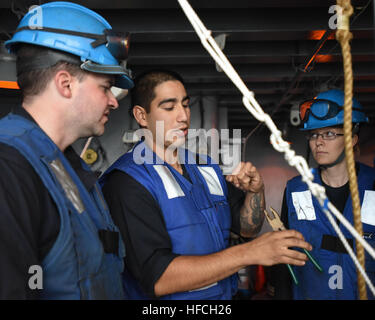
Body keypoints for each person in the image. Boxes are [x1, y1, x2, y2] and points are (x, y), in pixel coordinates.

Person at [100, 69, 312, 300]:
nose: (183, 116)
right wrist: (248, 254)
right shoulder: (128, 182)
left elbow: (246, 228)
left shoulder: (205, 168)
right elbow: (157, 279)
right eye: (169, 107)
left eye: (186, 104)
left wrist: (255, 192)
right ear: (142, 116)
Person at [0, 2, 134, 299]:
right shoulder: (10, 168)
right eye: (105, 87)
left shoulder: (69, 167)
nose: (113, 102)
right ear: (65, 84)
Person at [272, 89, 375, 300]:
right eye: (314, 135)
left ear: (352, 139)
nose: (318, 142)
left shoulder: (373, 185)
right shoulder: (296, 190)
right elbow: (284, 262)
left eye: (329, 134)